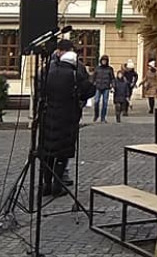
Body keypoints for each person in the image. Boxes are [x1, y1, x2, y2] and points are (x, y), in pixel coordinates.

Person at [42, 44, 95, 196]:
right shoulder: (74, 74)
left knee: (48, 154)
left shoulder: (48, 71)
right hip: (67, 118)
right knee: (62, 154)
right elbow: (89, 90)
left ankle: (46, 185)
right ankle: (57, 186)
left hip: (49, 117)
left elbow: (40, 89)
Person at [91, 55, 115, 123]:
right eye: (103, 60)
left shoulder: (110, 69)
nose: (104, 62)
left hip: (106, 87)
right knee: (96, 101)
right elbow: (93, 77)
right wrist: (92, 84)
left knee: (105, 103)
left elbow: (112, 78)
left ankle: (103, 117)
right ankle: (96, 115)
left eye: (105, 61)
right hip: (98, 86)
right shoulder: (97, 68)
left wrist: (113, 86)